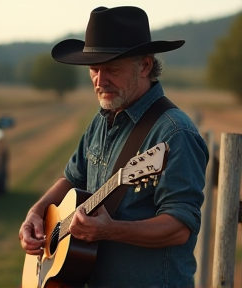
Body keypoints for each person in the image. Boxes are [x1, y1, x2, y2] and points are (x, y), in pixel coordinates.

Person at [19, 6, 209, 288]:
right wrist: (35, 213)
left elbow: (179, 227)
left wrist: (111, 230)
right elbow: (71, 179)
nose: (99, 80)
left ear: (145, 66)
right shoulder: (102, 119)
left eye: (112, 69)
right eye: (94, 70)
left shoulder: (174, 132)